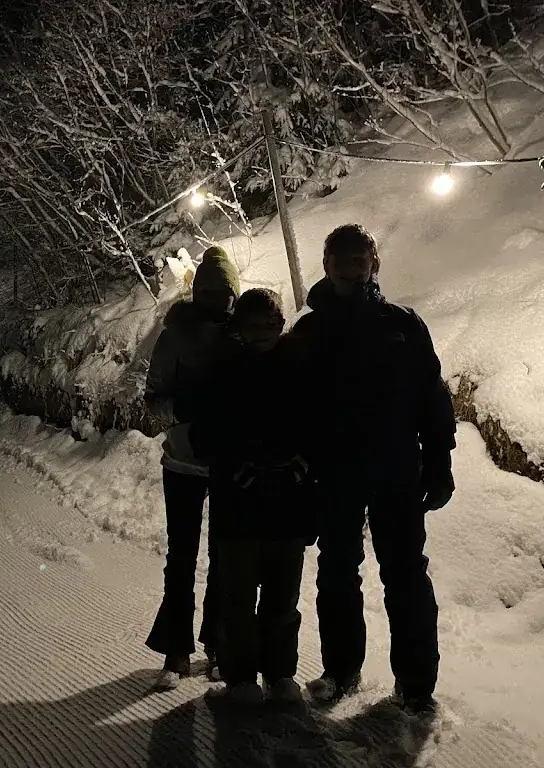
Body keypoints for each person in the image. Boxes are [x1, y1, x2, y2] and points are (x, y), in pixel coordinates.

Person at [293, 224, 456, 715]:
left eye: (358, 258)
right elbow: (292, 409)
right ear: (326, 266)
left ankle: (416, 685)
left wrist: (440, 460)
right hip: (333, 472)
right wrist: (298, 472)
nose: (350, 268)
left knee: (405, 574)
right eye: (340, 259)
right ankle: (341, 671)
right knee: (337, 572)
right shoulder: (309, 332)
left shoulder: (403, 325)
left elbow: (432, 397)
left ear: (374, 264)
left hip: (396, 469)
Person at [190, 288, 318, 706]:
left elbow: (320, 426)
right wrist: (235, 467)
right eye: (253, 324)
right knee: (238, 596)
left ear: (281, 325)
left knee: (283, 596)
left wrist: (303, 465)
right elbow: (204, 434)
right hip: (238, 502)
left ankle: (281, 674)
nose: (262, 332)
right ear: (239, 328)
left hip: (288, 500)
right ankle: (241, 676)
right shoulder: (222, 372)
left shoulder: (301, 368)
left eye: (270, 323)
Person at [144, 245, 240, 690]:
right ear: (196, 292)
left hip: (230, 463)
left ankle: (219, 645)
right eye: (208, 292)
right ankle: (176, 650)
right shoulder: (174, 337)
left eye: (223, 292)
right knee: (181, 558)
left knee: (226, 557)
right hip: (183, 462)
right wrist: (184, 409)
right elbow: (153, 402)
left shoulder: (243, 335)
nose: (216, 300)